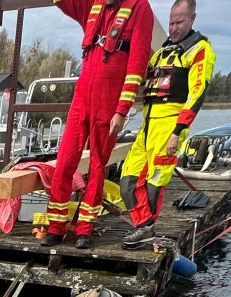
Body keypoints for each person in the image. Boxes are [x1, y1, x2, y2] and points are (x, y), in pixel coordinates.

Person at [40, 0, 153, 249]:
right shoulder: (93, 4)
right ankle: (55, 227)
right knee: (65, 162)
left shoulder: (140, 8)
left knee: (97, 166)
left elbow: (136, 65)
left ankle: (84, 229)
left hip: (108, 101)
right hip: (82, 98)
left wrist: (121, 111)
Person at [120, 0, 215, 247]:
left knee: (154, 185)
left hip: (170, 126)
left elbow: (197, 93)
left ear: (192, 19)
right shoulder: (162, 52)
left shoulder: (199, 49)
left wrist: (178, 131)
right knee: (127, 180)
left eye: (179, 22)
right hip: (147, 124)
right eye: (171, 22)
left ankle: (146, 228)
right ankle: (143, 226)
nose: (173, 28)